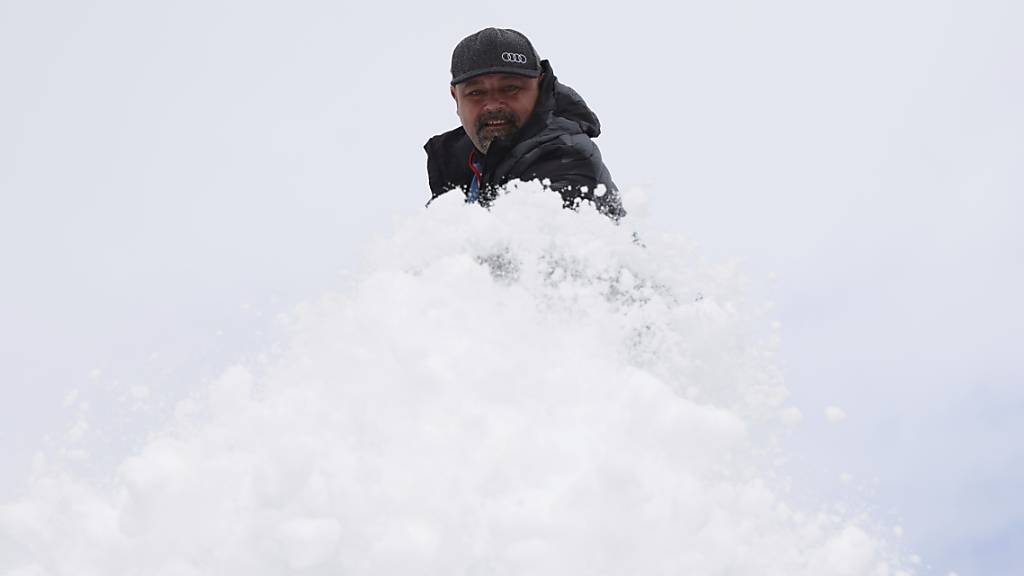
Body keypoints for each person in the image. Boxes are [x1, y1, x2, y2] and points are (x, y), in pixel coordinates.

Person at [424, 28, 625, 220]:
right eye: (476, 93)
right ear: (455, 97)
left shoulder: (565, 155)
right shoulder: (462, 164)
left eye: (510, 88)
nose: (493, 105)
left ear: (540, 86)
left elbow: (520, 251)